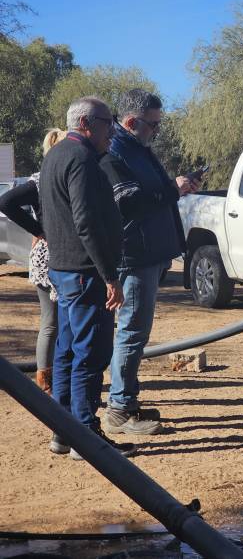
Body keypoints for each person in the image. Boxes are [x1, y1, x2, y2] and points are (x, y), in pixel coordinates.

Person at [98, 89, 200, 435]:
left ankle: (126, 401)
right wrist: (174, 188)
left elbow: (150, 196)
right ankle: (120, 410)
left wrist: (176, 188)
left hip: (150, 255)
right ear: (131, 122)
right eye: (153, 125)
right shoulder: (115, 152)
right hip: (135, 257)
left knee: (134, 333)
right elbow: (130, 203)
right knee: (131, 333)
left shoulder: (136, 149)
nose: (157, 130)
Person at [39, 96, 134, 459]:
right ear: (86, 124)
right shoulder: (80, 160)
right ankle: (84, 434)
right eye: (108, 122)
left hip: (64, 271)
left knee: (66, 350)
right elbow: (85, 221)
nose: (112, 130)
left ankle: (63, 432)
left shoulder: (55, 156)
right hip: (83, 273)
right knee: (90, 353)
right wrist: (109, 276)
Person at [0, 128, 66, 395]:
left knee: (63, 321)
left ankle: (59, 375)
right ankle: (45, 379)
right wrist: (39, 230)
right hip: (49, 256)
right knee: (51, 321)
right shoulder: (41, 181)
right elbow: (6, 202)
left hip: (63, 254)